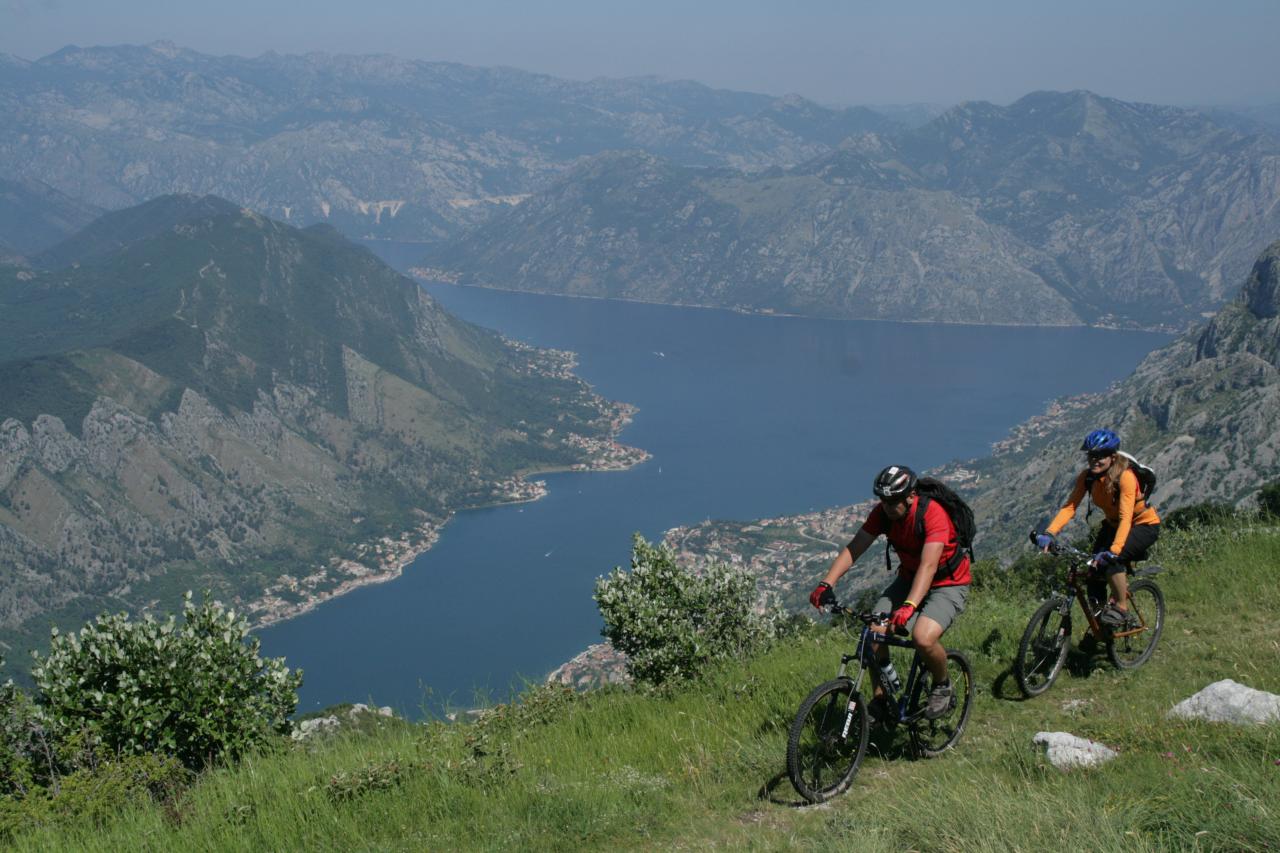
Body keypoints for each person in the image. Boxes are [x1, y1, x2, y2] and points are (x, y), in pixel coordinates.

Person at [809, 465, 970, 720]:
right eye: (882, 500)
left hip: (947, 583)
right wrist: (826, 583)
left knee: (923, 638)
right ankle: (882, 698)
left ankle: (943, 685)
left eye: (893, 501)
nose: (886, 506)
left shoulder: (932, 514)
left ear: (910, 496)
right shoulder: (884, 513)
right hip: (908, 579)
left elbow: (928, 566)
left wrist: (909, 605)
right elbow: (856, 547)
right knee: (873, 631)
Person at [1033, 429, 1161, 629]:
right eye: (1091, 456)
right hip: (1112, 526)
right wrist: (1050, 533)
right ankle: (1100, 628)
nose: (1095, 460)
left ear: (1112, 456)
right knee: (1093, 573)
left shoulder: (1125, 477)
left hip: (1143, 525)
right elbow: (1070, 507)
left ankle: (1121, 607)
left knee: (1111, 562)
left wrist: (1114, 550)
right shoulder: (1088, 477)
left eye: (1100, 456)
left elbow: (1125, 517)